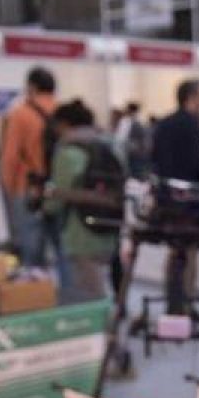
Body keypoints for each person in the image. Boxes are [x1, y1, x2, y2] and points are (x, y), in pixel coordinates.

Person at [43, 100, 123, 297]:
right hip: (110, 226)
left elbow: (56, 199)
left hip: (80, 231)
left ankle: (102, 325)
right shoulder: (112, 145)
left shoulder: (67, 152)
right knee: (99, 284)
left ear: (64, 124)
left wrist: (45, 203)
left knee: (88, 292)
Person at [151, 79, 199, 315]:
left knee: (174, 251)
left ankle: (172, 300)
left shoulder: (163, 124)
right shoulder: (192, 125)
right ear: (192, 97)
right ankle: (184, 303)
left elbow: (154, 159)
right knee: (190, 253)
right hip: (189, 203)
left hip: (165, 200)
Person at [0, 66, 61, 273]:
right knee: (61, 249)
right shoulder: (63, 112)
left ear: (32, 87)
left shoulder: (20, 114)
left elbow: (10, 156)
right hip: (60, 190)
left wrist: (10, 188)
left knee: (32, 252)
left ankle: (37, 295)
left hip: (28, 188)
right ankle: (70, 299)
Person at [114, 102, 148, 178]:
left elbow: (121, 138)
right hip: (129, 150)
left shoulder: (127, 121)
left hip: (129, 151)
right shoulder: (131, 121)